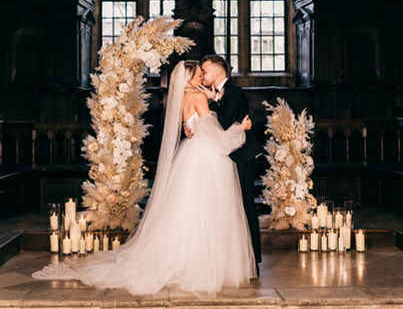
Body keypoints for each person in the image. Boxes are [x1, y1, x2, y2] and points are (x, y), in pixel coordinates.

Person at [33, 60, 257, 295]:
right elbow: (217, 139)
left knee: (188, 210)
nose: (202, 76)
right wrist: (240, 130)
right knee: (207, 212)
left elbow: (190, 126)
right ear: (191, 77)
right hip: (207, 158)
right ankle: (204, 264)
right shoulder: (198, 97)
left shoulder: (182, 97)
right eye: (199, 73)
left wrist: (210, 103)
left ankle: (185, 259)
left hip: (192, 155)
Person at [195, 55, 263, 274]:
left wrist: (213, 100)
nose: (203, 75)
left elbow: (223, 123)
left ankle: (253, 261)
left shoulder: (234, 93)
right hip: (229, 156)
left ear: (217, 72)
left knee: (246, 206)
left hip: (243, 157)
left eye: (205, 71)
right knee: (234, 209)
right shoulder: (219, 93)